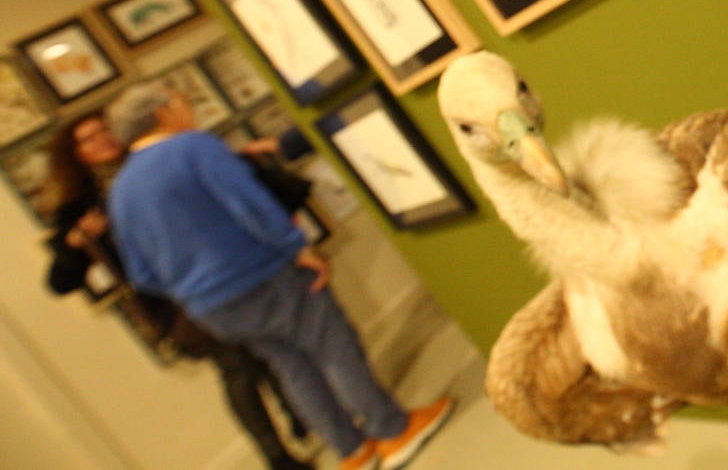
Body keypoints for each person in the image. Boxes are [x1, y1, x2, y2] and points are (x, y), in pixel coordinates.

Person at [105, 82, 453, 470]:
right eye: (184, 102)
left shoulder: (120, 192)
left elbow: (141, 273)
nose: (190, 109)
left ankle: (352, 452)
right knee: (332, 346)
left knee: (292, 369)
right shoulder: (193, 147)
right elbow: (250, 205)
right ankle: (392, 430)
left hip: (211, 308)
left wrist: (193, 287)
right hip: (266, 274)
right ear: (163, 112)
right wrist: (297, 247)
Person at [44, 110, 314, 470]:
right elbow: (60, 281)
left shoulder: (154, 160)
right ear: (76, 155)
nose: (102, 140)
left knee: (268, 347)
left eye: (104, 131)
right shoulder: (79, 208)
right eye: (88, 139)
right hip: (175, 302)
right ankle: (277, 455)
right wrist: (78, 243)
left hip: (218, 272)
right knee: (238, 368)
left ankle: (298, 411)